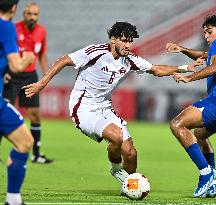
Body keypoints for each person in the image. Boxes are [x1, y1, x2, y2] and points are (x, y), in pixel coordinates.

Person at [23, 22, 197, 187]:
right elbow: (64, 60)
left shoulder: (129, 60)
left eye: (130, 41)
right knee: (116, 136)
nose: (128, 45)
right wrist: (42, 83)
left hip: (104, 107)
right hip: (83, 108)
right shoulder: (96, 52)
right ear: (113, 39)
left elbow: (156, 69)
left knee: (130, 153)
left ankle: (128, 187)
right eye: (124, 40)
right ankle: (115, 169)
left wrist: (183, 68)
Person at [166, 13, 216, 198]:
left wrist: (188, 77)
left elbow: (214, 67)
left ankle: (206, 174)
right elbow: (203, 56)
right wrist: (182, 49)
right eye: (205, 33)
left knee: (177, 124)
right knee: (200, 135)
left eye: (209, 32)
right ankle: (212, 184)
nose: (206, 37)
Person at [3, 2, 53, 164]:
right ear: (23, 14)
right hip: (12, 74)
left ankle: (36, 154)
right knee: (4, 113)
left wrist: (46, 75)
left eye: (35, 14)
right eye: (29, 14)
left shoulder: (42, 31)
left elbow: (42, 54)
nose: (32, 17)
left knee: (35, 114)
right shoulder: (12, 28)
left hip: (30, 75)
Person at [0, 0, 35, 204]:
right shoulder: (6, 27)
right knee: (25, 142)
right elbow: (16, 65)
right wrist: (27, 59)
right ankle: (13, 199)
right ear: (14, 8)